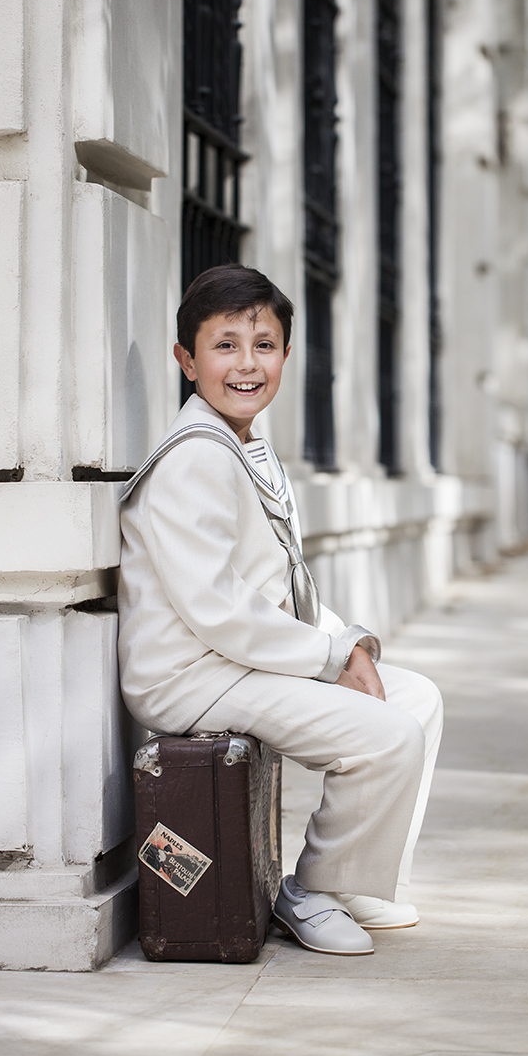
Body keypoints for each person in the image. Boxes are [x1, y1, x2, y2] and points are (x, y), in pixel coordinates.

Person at [118, 264, 443, 956]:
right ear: (186, 360)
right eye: (224, 344)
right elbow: (218, 610)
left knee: (414, 700)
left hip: (238, 661)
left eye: (264, 345)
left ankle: (353, 879)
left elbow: (278, 589)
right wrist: (330, 656)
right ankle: (311, 891)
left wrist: (349, 642)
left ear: (287, 357)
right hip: (192, 677)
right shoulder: (193, 458)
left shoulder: (245, 446)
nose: (246, 363)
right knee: (386, 736)